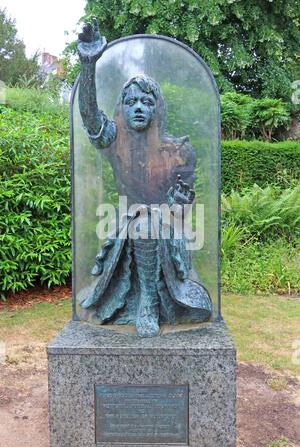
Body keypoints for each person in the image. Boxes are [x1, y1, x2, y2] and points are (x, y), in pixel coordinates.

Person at [77, 20, 212, 337]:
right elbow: (90, 119)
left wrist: (178, 205)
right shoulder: (115, 141)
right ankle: (138, 300)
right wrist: (88, 64)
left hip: (168, 229)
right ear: (122, 107)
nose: (139, 107)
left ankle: (150, 302)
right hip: (127, 224)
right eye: (131, 101)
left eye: (147, 101)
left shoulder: (178, 151)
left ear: (157, 109)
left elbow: (183, 210)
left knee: (149, 224)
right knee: (140, 224)